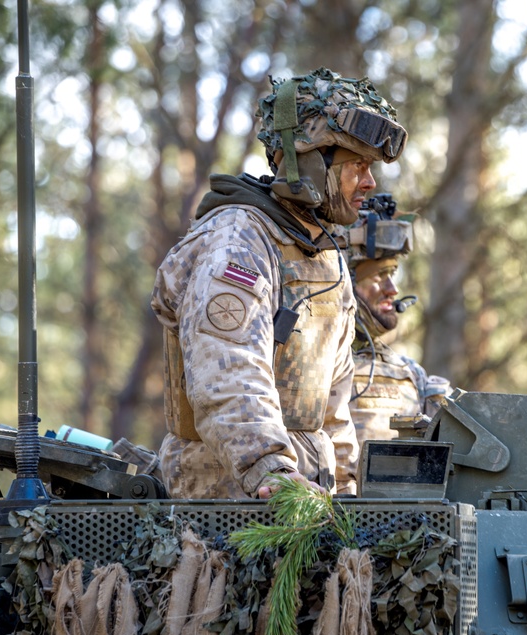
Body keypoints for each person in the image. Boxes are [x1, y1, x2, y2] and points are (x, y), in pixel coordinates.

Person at [151, 68, 407, 499]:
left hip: (303, 501)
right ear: (308, 161)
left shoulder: (326, 255)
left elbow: (331, 408)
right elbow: (227, 372)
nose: (370, 182)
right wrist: (269, 468)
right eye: (357, 166)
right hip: (226, 507)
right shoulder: (239, 241)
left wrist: (345, 489)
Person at [342, 195, 451, 444]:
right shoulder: (311, 367)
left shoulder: (412, 376)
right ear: (346, 282)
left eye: (393, 273)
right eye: (379, 275)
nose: (393, 289)